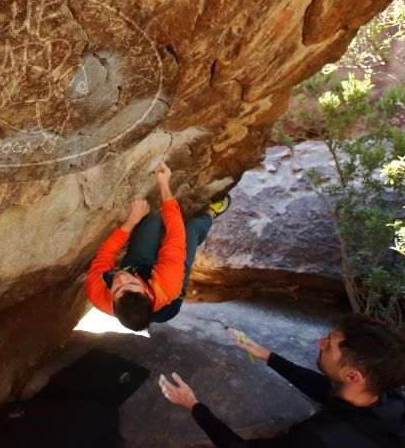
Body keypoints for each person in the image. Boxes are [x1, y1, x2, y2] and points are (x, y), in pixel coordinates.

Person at [159, 314, 405, 447]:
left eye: (328, 345)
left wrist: (194, 406)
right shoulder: (390, 400)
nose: (320, 342)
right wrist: (268, 356)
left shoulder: (317, 438)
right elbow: (327, 390)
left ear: (352, 375)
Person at [85, 160, 230, 331]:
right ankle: (211, 214)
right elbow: (176, 238)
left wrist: (133, 219)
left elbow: (106, 254)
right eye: (131, 284)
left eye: (117, 288)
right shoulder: (169, 286)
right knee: (190, 230)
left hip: (138, 269)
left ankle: (151, 243)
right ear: (146, 292)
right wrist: (164, 185)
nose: (121, 278)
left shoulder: (98, 294)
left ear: (112, 303)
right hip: (167, 298)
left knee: (152, 218)